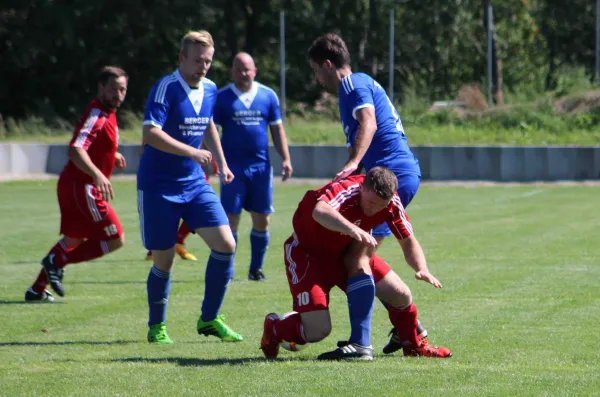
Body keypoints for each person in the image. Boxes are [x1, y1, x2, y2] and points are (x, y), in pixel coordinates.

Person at [307, 32, 426, 345]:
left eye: (316, 71)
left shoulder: (351, 85)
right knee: (354, 254)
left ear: (328, 64)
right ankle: (409, 327)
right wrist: (353, 168)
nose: (317, 79)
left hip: (390, 177)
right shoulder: (357, 85)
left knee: (357, 258)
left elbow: (369, 124)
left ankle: (362, 343)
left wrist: (352, 165)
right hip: (391, 174)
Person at [260, 167, 452, 360]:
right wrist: (353, 229)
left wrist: (422, 268)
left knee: (401, 295)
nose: (373, 210)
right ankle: (274, 329)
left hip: (345, 255)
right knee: (318, 330)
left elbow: (408, 241)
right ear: (362, 187)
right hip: (308, 257)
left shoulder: (392, 203)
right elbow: (320, 211)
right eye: (370, 203)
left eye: (380, 206)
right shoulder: (346, 189)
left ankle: (413, 346)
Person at [137, 30, 242, 344]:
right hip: (158, 186)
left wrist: (221, 163)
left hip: (194, 184)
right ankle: (157, 327)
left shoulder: (210, 89)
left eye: (208, 61)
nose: (204, 67)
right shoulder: (166, 88)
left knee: (226, 244)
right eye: (198, 60)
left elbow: (208, 122)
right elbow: (150, 133)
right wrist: (192, 152)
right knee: (164, 261)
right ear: (181, 58)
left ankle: (209, 318)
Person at [24, 66, 129, 302]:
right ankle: (57, 262)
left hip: (75, 184)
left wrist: (112, 155)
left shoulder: (107, 112)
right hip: (84, 187)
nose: (118, 94)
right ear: (101, 87)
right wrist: (98, 175)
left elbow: (93, 146)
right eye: (113, 89)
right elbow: (75, 149)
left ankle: (37, 290)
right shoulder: (98, 114)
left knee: (75, 238)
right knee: (115, 238)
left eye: (122, 90)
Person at [214, 52, 293, 281]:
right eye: (239, 69)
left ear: (255, 71)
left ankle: (255, 269)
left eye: (247, 69)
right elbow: (211, 131)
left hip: (260, 167)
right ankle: (227, 269)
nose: (243, 73)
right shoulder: (222, 97)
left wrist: (286, 158)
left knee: (262, 218)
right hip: (232, 168)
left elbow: (277, 130)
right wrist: (210, 159)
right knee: (231, 218)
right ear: (232, 72)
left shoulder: (268, 96)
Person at [144, 157, 219, 262]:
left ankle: (169, 244)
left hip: (194, 167)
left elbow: (205, 141)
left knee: (199, 207)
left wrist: (215, 159)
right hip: (178, 166)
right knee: (182, 206)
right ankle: (162, 246)